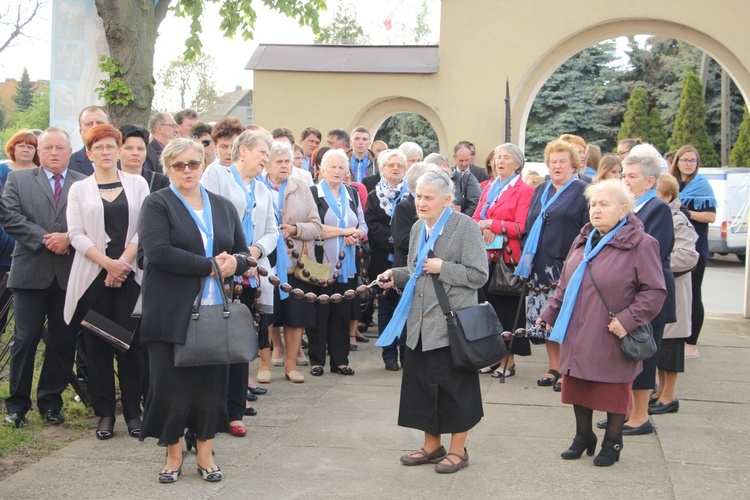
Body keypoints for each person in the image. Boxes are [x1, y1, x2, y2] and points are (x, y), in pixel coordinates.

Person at [138, 138, 251, 483]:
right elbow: (157, 252)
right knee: (170, 385)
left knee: (209, 387)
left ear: (204, 164)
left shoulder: (222, 205)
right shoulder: (156, 204)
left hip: (214, 309)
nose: (187, 170)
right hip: (170, 310)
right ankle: (173, 456)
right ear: (168, 168)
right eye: (179, 165)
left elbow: (243, 254)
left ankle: (205, 454)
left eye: (193, 163)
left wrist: (236, 262)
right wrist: (210, 266)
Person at [539, 179, 666, 467]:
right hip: (578, 328)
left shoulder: (642, 244)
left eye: (603, 204)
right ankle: (583, 437)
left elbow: (654, 291)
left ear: (624, 210)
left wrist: (628, 320)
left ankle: (612, 441)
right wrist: (550, 313)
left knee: (612, 391)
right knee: (578, 385)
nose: (596, 210)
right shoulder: (584, 238)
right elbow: (566, 282)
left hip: (612, 332)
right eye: (593, 204)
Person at [376, 169, 488, 474]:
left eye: (428, 197)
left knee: (455, 388)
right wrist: (393, 276)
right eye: (418, 196)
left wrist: (444, 267)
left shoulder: (465, 227)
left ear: (447, 200)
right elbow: (415, 271)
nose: (421, 203)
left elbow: (479, 275)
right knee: (423, 386)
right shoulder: (417, 228)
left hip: (452, 324)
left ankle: (458, 449)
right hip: (421, 323)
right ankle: (431, 446)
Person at [63, 124, 150, 439]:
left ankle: (132, 413)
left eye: (111, 146)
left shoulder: (138, 183)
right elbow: (75, 234)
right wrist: (106, 265)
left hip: (130, 276)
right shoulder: (79, 189)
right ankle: (105, 415)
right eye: (98, 147)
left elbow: (145, 227)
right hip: (93, 278)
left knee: (131, 346)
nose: (105, 152)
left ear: (119, 150)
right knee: (98, 346)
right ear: (88, 153)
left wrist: (122, 264)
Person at [2, 127, 87, 428]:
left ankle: (50, 402)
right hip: (30, 273)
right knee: (24, 340)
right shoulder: (18, 179)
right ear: (39, 151)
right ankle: (17, 406)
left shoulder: (83, 184)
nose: (54, 153)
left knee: (63, 341)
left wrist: (68, 237)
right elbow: (10, 217)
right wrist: (46, 238)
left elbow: (93, 222)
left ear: (69, 151)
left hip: (69, 275)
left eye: (60, 147)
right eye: (48, 147)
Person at [201, 130, 277, 433]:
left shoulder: (263, 189)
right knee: (215, 344)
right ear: (242, 151)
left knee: (240, 343)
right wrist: (233, 258)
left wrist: (253, 254)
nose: (265, 160)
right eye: (261, 153)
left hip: (250, 272)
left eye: (267, 156)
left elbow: (271, 230)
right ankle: (211, 409)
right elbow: (206, 220)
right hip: (219, 272)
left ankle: (235, 411)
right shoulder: (216, 176)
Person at [515, 139, 589, 392]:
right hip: (539, 264)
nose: (557, 166)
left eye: (563, 162)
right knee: (545, 318)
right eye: (553, 161)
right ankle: (554, 366)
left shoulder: (582, 191)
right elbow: (529, 221)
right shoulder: (541, 189)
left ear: (573, 164)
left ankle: (569, 369)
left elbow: (588, 230)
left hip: (566, 264)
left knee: (567, 318)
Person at [617, 143, 676, 435]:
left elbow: (653, 252)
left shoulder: (658, 209)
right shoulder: (631, 207)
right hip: (630, 293)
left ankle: (640, 417)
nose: (625, 181)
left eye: (632, 176)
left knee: (643, 355)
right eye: (623, 175)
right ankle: (627, 412)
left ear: (650, 181)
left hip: (650, 296)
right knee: (627, 357)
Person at [472, 143, 534, 378]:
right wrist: (482, 226)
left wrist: (493, 226)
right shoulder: (487, 188)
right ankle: (492, 357)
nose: (500, 161)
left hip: (507, 260)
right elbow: (476, 217)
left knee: (507, 313)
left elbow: (520, 227)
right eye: (498, 157)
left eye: (506, 157)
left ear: (517, 163)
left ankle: (508, 361)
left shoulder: (524, 191)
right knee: (488, 311)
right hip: (484, 257)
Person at [263, 141, 322, 382]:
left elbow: (316, 226)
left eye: (288, 161)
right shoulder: (257, 187)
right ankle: (264, 365)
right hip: (265, 263)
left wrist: (296, 228)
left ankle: (291, 366)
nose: (286, 166)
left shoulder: (301, 188)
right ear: (267, 164)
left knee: (296, 315)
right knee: (265, 315)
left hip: (295, 263)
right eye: (280, 161)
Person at [308, 149, 367, 376]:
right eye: (332, 166)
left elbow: (362, 224)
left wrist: (358, 234)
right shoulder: (312, 193)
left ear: (347, 171)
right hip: (320, 262)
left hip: (347, 264)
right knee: (319, 313)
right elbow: (312, 228)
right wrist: (344, 231)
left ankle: (340, 361)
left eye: (341, 167)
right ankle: (317, 360)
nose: (336, 171)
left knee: (342, 313)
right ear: (322, 168)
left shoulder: (352, 193)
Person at [651, 173, 699, 414]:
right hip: (663, 290)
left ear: (668, 196)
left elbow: (689, 256)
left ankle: (670, 395)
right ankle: (660, 390)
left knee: (671, 348)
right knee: (661, 347)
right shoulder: (663, 216)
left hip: (675, 291)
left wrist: (658, 262)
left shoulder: (677, 219)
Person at [670, 145, 716, 359]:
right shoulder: (672, 184)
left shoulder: (701, 184)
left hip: (695, 248)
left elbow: (711, 217)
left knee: (694, 294)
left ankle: (691, 342)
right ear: (677, 162)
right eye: (685, 160)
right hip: (673, 247)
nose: (689, 164)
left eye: (693, 161)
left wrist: (687, 213)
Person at [365, 149, 408, 370]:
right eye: (390, 165)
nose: (395, 169)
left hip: (406, 260)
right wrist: (393, 240)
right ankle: (389, 355)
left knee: (407, 308)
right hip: (383, 259)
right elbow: (372, 225)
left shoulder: (411, 195)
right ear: (382, 169)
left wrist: (402, 241)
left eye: (399, 165)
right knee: (386, 308)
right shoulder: (374, 196)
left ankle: (406, 354)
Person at [424, 152, 481, 216]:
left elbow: (475, 204)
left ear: (444, 165)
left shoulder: (466, 178)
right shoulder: (434, 183)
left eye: (435, 171)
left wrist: (458, 221)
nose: (434, 175)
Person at [119, 125, 170, 192]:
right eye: (128, 148)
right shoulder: (109, 181)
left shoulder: (161, 182)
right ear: (118, 151)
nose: (135, 153)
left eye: (140, 149)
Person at [68, 105, 110, 176]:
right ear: (81, 132)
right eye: (89, 124)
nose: (95, 127)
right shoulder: (68, 163)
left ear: (110, 128)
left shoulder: (122, 162)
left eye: (99, 123)